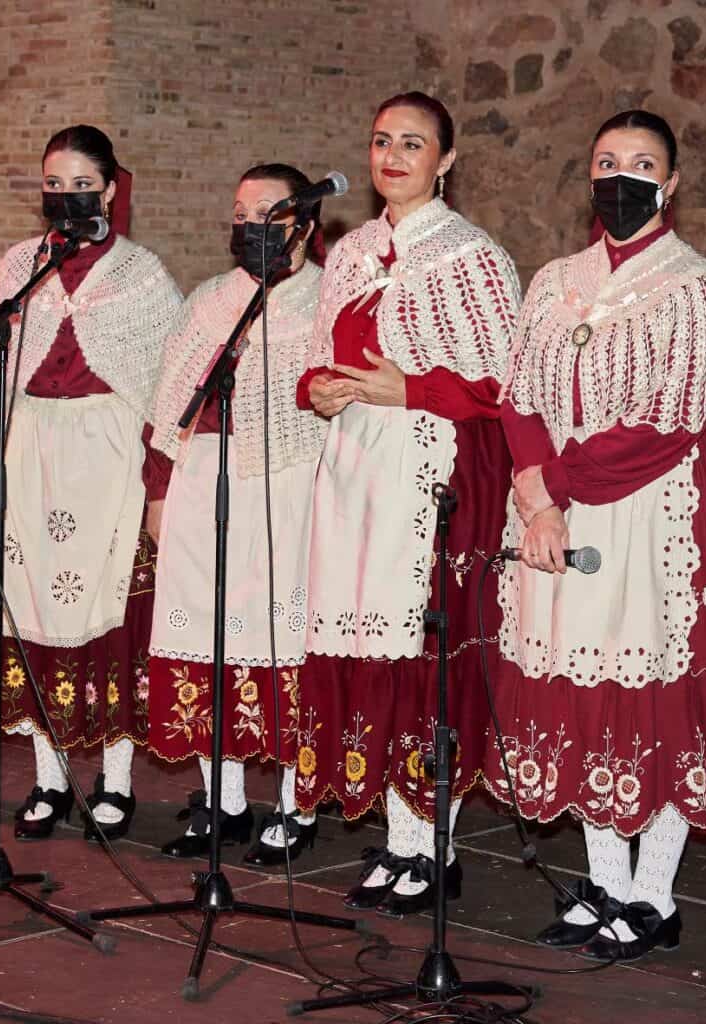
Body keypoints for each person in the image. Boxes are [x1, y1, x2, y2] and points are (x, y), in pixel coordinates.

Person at [488, 110, 706, 961]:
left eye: (642, 164)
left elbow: (667, 425)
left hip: (653, 507)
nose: (622, 177)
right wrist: (537, 502)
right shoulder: (553, 280)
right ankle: (606, 880)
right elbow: (518, 400)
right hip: (553, 508)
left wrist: (555, 490)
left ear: (671, 183)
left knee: (651, 691)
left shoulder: (697, 287)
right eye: (607, 160)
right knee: (576, 681)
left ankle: (655, 894)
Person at [293, 91, 521, 917]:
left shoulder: (474, 257)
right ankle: (397, 836)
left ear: (446, 160)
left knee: (425, 660)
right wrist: (315, 388)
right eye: (381, 140)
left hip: (433, 470)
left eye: (412, 143)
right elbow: (321, 359)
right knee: (369, 658)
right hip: (355, 469)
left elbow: (505, 383)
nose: (392, 157)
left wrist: (411, 387)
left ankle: (437, 843)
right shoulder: (350, 252)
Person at [0, 125, 182, 842]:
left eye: (81, 184)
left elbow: (164, 391)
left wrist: (155, 481)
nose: (66, 196)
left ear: (110, 188)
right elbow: (0, 370)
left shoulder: (143, 275)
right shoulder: (22, 262)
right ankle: (49, 780)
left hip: (106, 455)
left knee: (106, 622)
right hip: (33, 451)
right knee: (29, 618)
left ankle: (115, 781)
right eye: (53, 184)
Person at [144, 164, 327, 864]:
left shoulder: (326, 302)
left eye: (267, 212)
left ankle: (293, 801)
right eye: (240, 210)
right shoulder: (211, 300)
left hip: (287, 487)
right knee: (207, 641)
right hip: (201, 483)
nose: (250, 224)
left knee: (284, 641)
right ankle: (221, 802)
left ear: (303, 223)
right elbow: (168, 408)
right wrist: (159, 492)